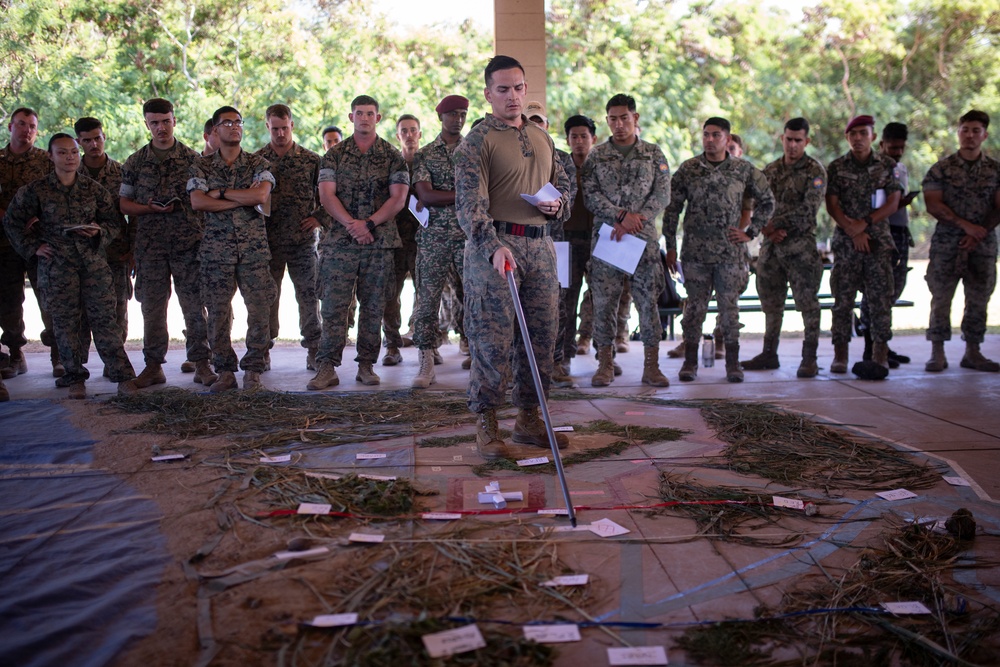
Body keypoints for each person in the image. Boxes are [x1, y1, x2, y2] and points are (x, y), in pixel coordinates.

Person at [454, 55, 571, 458]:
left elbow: (561, 186)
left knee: (540, 337)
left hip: (541, 246)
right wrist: (491, 246)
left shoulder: (542, 137)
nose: (512, 96)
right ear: (488, 94)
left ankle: (528, 418)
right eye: (502, 89)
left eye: (518, 88)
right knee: (492, 339)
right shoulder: (477, 142)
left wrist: (559, 206)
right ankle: (486, 424)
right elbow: (469, 206)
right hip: (497, 247)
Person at [3, 133, 138, 399]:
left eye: (74, 153)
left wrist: (99, 232)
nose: (70, 158)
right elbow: (12, 221)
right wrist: (33, 248)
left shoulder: (93, 189)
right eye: (63, 153)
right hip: (57, 266)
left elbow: (114, 222)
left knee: (105, 321)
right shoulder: (36, 190)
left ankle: (123, 376)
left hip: (93, 265)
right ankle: (74, 376)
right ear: (51, 157)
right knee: (65, 324)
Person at [664, 116, 775, 382]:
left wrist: (750, 232)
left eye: (716, 135)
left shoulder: (744, 170)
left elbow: (768, 201)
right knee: (693, 311)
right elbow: (672, 208)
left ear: (727, 138)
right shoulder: (690, 169)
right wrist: (670, 246)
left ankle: (733, 364)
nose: (710, 140)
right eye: (706, 135)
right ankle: (690, 363)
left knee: (729, 312)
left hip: (730, 255)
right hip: (696, 254)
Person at [308, 95, 408, 389]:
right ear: (351, 117)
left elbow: (399, 198)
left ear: (378, 118)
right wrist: (352, 225)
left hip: (378, 243)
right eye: (359, 113)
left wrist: (369, 224)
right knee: (334, 306)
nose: (364, 118)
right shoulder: (334, 156)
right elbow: (327, 196)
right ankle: (327, 367)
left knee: (373, 307)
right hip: (340, 242)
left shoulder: (393, 157)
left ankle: (366, 365)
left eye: (370, 113)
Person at [120, 98, 215, 387]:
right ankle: (153, 366)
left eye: (165, 121)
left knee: (194, 306)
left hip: (188, 245)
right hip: (150, 248)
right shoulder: (135, 163)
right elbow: (124, 204)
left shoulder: (193, 161)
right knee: (152, 308)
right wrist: (148, 208)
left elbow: (207, 200)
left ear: (174, 120)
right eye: (154, 123)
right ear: (146, 124)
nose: (161, 128)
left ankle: (201, 363)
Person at [582, 94, 672, 387]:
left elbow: (662, 195)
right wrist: (620, 215)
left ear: (636, 118)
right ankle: (605, 364)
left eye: (624, 118)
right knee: (605, 303)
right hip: (609, 238)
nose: (618, 125)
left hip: (642, 241)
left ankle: (652, 366)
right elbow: (590, 194)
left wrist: (637, 219)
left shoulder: (654, 154)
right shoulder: (597, 155)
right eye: (612, 119)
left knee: (648, 303)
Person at [188, 106, 275, 391]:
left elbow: (261, 195)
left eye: (238, 122)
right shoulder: (201, 166)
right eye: (227, 123)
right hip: (216, 252)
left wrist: (222, 194)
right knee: (217, 313)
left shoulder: (258, 163)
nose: (234, 127)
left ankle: (253, 369)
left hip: (253, 251)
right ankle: (225, 370)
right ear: (214, 131)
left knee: (260, 310)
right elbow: (199, 202)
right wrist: (243, 198)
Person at [740, 117, 826, 377]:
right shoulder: (771, 169)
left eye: (798, 140)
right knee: (771, 303)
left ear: (806, 141)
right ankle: (769, 353)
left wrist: (773, 224)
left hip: (800, 248)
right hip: (772, 249)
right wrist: (766, 229)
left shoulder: (814, 171)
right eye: (788, 139)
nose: (792, 145)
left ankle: (809, 358)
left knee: (807, 303)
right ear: (782, 139)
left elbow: (808, 210)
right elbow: (756, 202)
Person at [922, 110, 1000, 373]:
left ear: (985, 135)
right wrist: (965, 226)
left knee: (979, 297)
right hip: (947, 244)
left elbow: (999, 206)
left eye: (976, 130)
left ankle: (973, 351)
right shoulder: (941, 168)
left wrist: (979, 232)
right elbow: (933, 204)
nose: (969, 135)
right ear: (958, 132)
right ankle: (937, 352)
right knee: (941, 297)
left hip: (983, 245)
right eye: (965, 129)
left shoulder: (995, 170)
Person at [825, 114, 902, 377]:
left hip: (878, 243)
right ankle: (840, 355)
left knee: (880, 301)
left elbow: (893, 203)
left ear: (873, 136)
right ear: (847, 137)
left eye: (863, 133)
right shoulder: (836, 167)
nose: (858, 138)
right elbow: (832, 205)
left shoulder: (887, 165)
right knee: (843, 301)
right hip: (847, 243)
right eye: (853, 134)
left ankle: (880, 354)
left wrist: (864, 224)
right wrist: (852, 229)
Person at [255, 104, 322, 371]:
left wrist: (319, 218)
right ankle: (264, 349)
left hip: (302, 242)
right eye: (275, 128)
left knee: (308, 296)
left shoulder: (311, 160)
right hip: (268, 243)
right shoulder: (257, 160)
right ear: (267, 127)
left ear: (292, 125)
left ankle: (314, 349)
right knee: (267, 297)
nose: (281, 133)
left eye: (285, 127)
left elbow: (327, 196)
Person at [410, 95, 470, 388]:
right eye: (452, 114)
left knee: (473, 297)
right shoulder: (424, 154)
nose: (458, 119)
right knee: (427, 300)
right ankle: (425, 359)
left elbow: (485, 191)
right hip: (433, 238)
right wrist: (464, 197)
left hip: (469, 237)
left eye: (462, 114)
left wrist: (445, 196)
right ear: (440, 117)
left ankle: (475, 350)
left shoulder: (474, 150)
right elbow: (426, 195)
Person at [0, 107, 57, 380]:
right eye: (21, 124)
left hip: (38, 241)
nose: (26, 130)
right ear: (10, 126)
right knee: (9, 301)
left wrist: (37, 216)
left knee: (48, 297)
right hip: (5, 243)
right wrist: (10, 218)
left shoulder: (45, 161)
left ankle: (58, 354)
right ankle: (14, 353)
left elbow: (56, 196)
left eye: (32, 126)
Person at [857, 122, 919, 367]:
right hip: (879, 232)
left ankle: (883, 345)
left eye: (901, 148)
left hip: (900, 231)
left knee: (894, 287)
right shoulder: (873, 169)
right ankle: (870, 347)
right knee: (874, 290)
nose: (896, 152)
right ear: (881, 144)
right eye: (892, 148)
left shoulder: (899, 168)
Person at [525, 100, 578, 387]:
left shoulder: (561, 157)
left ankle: (556, 362)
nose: (535, 126)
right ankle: (516, 365)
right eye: (529, 121)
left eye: (539, 122)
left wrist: (555, 205)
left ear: (546, 126)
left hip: (554, 240)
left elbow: (568, 194)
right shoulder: (516, 153)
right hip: (520, 239)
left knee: (556, 305)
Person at [74, 117, 132, 358]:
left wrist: (134, 248)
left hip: (115, 252)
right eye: (87, 140)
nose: (94, 144)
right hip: (79, 254)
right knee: (80, 311)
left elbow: (132, 213)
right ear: (79, 142)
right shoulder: (70, 173)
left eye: (97, 138)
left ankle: (116, 361)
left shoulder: (122, 172)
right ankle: (78, 364)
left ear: (104, 137)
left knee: (118, 307)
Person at [382, 114, 421, 367]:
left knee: (426, 294)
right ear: (398, 136)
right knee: (390, 296)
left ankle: (427, 345)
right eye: (404, 131)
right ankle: (393, 345)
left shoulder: (428, 160)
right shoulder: (389, 163)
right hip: (394, 240)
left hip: (422, 240)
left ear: (420, 133)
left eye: (413, 130)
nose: (409, 134)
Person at [558, 114, 596, 376]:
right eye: (574, 137)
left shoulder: (602, 165)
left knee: (601, 299)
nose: (579, 141)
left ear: (593, 138)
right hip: (566, 240)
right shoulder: (559, 165)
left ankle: (605, 355)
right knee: (564, 301)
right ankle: (563, 355)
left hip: (599, 241)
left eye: (584, 136)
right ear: (568, 139)